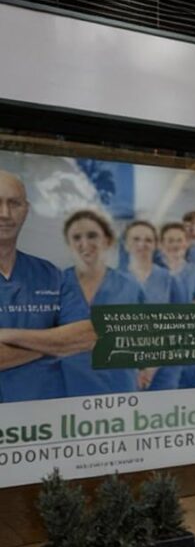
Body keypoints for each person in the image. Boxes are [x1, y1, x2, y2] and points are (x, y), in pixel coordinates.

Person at [0, 170, 95, 401]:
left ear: (26, 210)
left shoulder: (50, 274)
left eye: (14, 203)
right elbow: (71, 341)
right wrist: (57, 342)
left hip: (44, 421)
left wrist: (7, 334)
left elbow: (87, 335)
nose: (5, 213)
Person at [59, 210, 144, 397]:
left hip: (119, 386)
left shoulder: (129, 286)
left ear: (107, 240)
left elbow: (147, 337)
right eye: (76, 237)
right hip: (69, 388)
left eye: (92, 236)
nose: (84, 244)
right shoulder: (57, 285)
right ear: (69, 244)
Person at [124, 220, 181, 391]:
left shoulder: (169, 280)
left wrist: (152, 367)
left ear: (156, 244)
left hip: (164, 364)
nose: (142, 244)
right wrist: (134, 369)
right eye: (136, 239)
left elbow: (180, 323)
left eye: (148, 240)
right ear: (126, 244)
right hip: (124, 364)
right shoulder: (113, 280)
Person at [159, 222, 195, 389]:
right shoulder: (154, 274)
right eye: (170, 240)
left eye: (179, 240)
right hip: (162, 350)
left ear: (186, 243)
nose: (175, 245)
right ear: (161, 244)